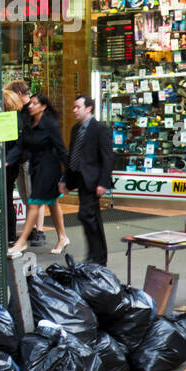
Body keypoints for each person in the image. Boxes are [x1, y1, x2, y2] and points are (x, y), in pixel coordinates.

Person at [8, 93, 70, 256]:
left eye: (35, 103)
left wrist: (70, 174)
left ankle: (21, 242)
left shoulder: (50, 124)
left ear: (43, 106)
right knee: (52, 203)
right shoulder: (29, 124)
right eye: (31, 103)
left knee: (34, 203)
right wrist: (7, 161)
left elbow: (61, 150)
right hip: (36, 168)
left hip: (50, 169)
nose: (30, 106)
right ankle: (62, 237)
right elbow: (20, 146)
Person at [64, 95, 114, 265]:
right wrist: (66, 180)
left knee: (87, 214)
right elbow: (73, 156)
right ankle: (97, 255)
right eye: (74, 107)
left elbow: (107, 157)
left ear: (89, 108)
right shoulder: (75, 130)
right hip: (80, 178)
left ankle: (97, 256)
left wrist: (103, 182)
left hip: (93, 180)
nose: (74, 110)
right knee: (90, 216)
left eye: (78, 107)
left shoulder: (99, 128)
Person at [3, 81, 43, 246]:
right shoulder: (21, 112)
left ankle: (38, 230)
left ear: (18, 94)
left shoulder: (32, 109)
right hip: (21, 159)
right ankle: (33, 229)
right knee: (27, 196)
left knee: (33, 196)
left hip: (29, 158)